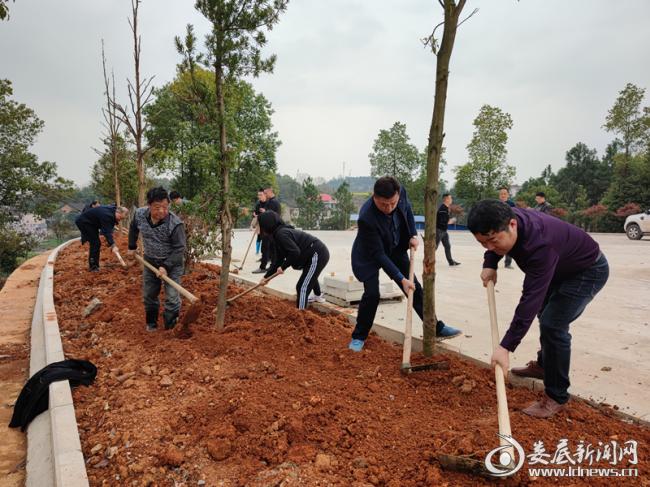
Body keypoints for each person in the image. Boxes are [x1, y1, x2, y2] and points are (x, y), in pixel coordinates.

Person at [467, 200, 609, 418]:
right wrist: (490, 262)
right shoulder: (503, 217)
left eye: (493, 241)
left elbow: (529, 300)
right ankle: (545, 366)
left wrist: (506, 346)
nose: (489, 247)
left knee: (553, 324)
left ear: (512, 225)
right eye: (482, 243)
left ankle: (557, 397)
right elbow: (493, 241)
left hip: (586, 271)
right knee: (546, 314)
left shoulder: (539, 244)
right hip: (560, 266)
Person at [348, 177, 462, 352]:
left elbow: (407, 210)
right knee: (372, 295)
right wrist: (400, 278)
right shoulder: (366, 217)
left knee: (414, 288)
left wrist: (412, 235)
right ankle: (358, 336)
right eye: (383, 204)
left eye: (392, 203)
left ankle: (436, 327)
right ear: (374, 197)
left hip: (395, 246)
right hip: (370, 254)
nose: (389, 208)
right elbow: (378, 254)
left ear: (398, 195)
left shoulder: (401, 194)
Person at [127, 187, 187, 332]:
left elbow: (180, 249)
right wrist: (131, 246)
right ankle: (152, 323)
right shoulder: (139, 214)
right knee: (149, 294)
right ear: (149, 205)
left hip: (172, 264)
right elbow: (133, 228)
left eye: (165, 207)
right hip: (150, 260)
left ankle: (170, 327)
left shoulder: (175, 223)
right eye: (157, 207)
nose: (161, 211)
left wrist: (166, 266)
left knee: (172, 297)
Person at [258, 211, 330, 309]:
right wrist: (266, 277)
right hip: (309, 254)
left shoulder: (281, 234)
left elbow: (295, 252)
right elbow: (278, 261)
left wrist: (283, 267)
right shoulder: (277, 235)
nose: (259, 228)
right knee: (309, 276)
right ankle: (318, 296)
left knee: (302, 287)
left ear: (267, 224)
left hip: (317, 254)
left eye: (260, 225)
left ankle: (300, 314)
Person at [75, 204, 128, 272]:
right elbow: (107, 232)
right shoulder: (107, 216)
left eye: (121, 219)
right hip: (84, 222)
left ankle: (95, 265)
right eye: (120, 217)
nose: (119, 220)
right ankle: (93, 267)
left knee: (96, 242)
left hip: (91, 223)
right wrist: (113, 245)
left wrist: (111, 243)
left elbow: (108, 229)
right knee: (95, 243)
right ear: (118, 212)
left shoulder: (113, 210)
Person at [253, 185, 281, 274]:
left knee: (266, 249)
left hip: (270, 230)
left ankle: (263, 267)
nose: (264, 195)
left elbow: (275, 216)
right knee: (270, 249)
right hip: (268, 230)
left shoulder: (274, 203)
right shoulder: (270, 202)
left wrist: (265, 212)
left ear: (269, 192)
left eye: (265, 193)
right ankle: (272, 266)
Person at [436, 193, 460, 266]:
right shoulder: (443, 209)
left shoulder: (446, 208)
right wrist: (452, 220)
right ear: (446, 199)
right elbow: (443, 222)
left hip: (444, 231)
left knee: (447, 246)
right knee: (434, 247)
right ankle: (428, 259)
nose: (451, 200)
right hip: (439, 230)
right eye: (450, 198)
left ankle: (451, 262)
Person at [498, 188, 516, 269]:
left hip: (508, 227)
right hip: (498, 227)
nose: (503, 195)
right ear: (499, 195)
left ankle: (507, 263)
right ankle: (492, 262)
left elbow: (514, 215)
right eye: (501, 194)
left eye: (505, 193)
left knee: (509, 245)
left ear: (508, 195)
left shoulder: (512, 204)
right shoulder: (496, 204)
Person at [252, 188, 267, 256]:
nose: (259, 196)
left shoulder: (269, 202)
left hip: (267, 223)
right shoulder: (258, 203)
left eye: (261, 195)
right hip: (260, 223)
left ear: (264, 195)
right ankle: (257, 251)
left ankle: (265, 253)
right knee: (259, 237)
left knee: (266, 239)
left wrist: (265, 211)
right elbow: (255, 211)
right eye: (258, 195)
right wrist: (254, 214)